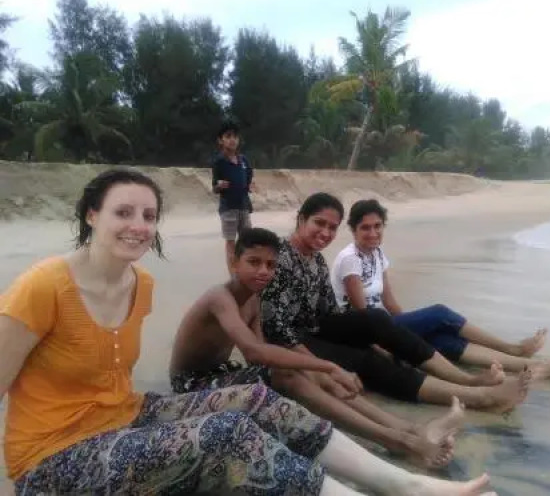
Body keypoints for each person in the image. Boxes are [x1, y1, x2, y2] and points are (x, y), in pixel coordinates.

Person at [0, 169, 496, 496]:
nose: (139, 225)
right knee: (227, 434)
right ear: (92, 214)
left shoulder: (140, 283)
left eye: (148, 215)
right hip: (50, 460)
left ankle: (403, 483)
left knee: (257, 400)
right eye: (122, 212)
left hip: (124, 416)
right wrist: (322, 363)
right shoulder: (43, 286)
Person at [169, 226, 465, 470]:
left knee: (303, 372)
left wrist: (321, 374)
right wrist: (329, 366)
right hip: (192, 384)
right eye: (254, 262)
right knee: (292, 375)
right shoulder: (220, 297)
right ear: (234, 262)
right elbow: (254, 352)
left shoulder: (254, 298)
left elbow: (258, 354)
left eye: (270, 265)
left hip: (222, 373)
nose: (263, 271)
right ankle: (397, 441)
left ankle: (408, 429)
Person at [260, 192, 532, 414]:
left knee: (377, 319)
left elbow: (330, 312)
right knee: (365, 360)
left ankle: (467, 380)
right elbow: (275, 329)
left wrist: (373, 338)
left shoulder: (316, 260)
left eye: (332, 227)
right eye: (319, 223)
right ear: (302, 219)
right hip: (291, 343)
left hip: (317, 328)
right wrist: (325, 366)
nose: (325, 232)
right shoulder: (279, 258)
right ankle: (478, 397)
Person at [331, 199, 550, 381]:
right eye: (365, 228)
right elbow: (363, 316)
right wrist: (386, 348)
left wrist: (411, 329)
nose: (373, 233)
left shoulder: (377, 254)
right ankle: (512, 348)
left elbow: (390, 302)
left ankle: (530, 367)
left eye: (377, 226)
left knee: (442, 338)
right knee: (440, 314)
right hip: (363, 331)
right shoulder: (350, 259)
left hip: (384, 324)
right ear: (353, 230)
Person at [211, 118, 255, 273]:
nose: (232, 140)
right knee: (231, 243)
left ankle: (245, 271)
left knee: (247, 241)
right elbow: (214, 188)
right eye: (228, 136)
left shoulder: (244, 160)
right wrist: (219, 185)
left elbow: (249, 178)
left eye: (235, 136)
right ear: (220, 140)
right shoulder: (219, 162)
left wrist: (250, 186)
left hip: (244, 206)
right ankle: (233, 276)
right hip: (228, 208)